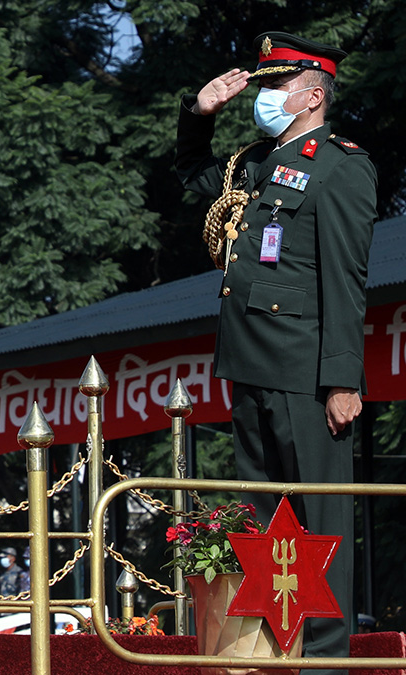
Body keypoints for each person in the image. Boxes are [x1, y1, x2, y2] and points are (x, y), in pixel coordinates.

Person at [175, 32, 377, 671]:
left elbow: (345, 279)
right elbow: (193, 177)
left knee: (318, 516)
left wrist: (343, 379)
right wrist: (198, 115)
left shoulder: (341, 166)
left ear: (313, 96)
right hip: (249, 358)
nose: (263, 96)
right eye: (260, 85)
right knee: (262, 515)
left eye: (276, 85)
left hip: (305, 368)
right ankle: (272, 650)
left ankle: (324, 658)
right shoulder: (258, 160)